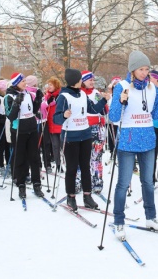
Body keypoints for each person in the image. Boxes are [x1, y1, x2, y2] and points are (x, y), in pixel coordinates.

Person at [109, 50, 158, 240]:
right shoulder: (122, 86)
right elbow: (113, 116)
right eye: (140, 69)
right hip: (128, 139)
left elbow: (156, 115)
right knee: (123, 183)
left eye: (146, 69)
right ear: (132, 70)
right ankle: (119, 221)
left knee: (148, 183)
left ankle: (151, 217)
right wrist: (120, 101)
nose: (144, 72)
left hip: (148, 140)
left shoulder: (151, 87)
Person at [53, 68, 110, 211]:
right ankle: (71, 197)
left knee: (85, 167)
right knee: (72, 168)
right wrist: (64, 115)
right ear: (75, 81)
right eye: (79, 79)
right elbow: (56, 119)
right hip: (70, 136)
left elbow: (93, 110)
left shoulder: (83, 94)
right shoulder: (63, 97)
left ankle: (87, 196)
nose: (81, 81)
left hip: (85, 135)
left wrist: (104, 100)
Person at [4, 73, 45, 199]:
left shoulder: (27, 93)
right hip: (19, 130)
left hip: (32, 128)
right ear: (16, 83)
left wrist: (38, 99)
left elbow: (33, 110)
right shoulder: (9, 96)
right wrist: (16, 103)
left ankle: (37, 184)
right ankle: (21, 185)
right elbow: (10, 116)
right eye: (22, 81)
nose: (25, 83)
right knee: (20, 159)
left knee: (35, 158)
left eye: (25, 81)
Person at [81, 70, 108, 194]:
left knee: (96, 156)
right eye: (89, 80)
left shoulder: (96, 93)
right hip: (82, 128)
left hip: (96, 128)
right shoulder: (79, 94)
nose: (92, 82)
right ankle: (80, 180)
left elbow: (103, 111)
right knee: (82, 157)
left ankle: (97, 181)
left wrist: (104, 102)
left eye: (93, 80)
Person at [41, 77, 62, 174]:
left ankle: (66, 163)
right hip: (51, 124)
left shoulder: (61, 95)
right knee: (55, 146)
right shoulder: (47, 97)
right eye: (48, 85)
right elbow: (43, 108)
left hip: (60, 124)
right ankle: (58, 164)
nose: (49, 87)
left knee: (63, 146)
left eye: (51, 85)